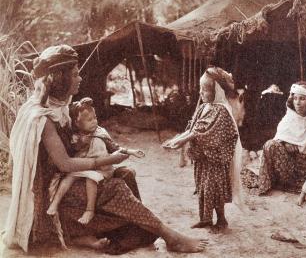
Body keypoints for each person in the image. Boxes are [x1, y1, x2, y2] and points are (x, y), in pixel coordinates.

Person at [2, 44, 207, 254]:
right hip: (53, 194)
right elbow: (64, 163)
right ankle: (169, 236)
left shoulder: (60, 108)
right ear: (60, 79)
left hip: (70, 177)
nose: (80, 79)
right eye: (74, 75)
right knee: (114, 187)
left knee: (125, 174)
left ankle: (139, 229)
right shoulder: (42, 117)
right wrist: (107, 160)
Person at [163, 66, 243, 232]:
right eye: (201, 89)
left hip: (215, 160)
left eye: (206, 89)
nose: (201, 93)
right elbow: (193, 127)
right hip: (203, 159)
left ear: (218, 91)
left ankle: (221, 220)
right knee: (203, 188)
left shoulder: (221, 110)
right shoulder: (204, 107)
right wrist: (176, 139)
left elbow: (203, 131)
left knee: (214, 189)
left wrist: (181, 141)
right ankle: (205, 219)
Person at [46, 97, 145, 225]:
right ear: (77, 123)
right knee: (69, 178)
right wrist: (81, 143)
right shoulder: (77, 137)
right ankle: (54, 203)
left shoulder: (101, 133)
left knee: (91, 179)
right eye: (89, 120)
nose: (94, 122)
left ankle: (89, 210)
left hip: (102, 168)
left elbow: (114, 147)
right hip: (85, 166)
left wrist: (131, 151)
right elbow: (71, 152)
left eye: (95, 118)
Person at [256, 81, 306, 194]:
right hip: (287, 168)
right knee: (270, 145)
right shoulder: (289, 118)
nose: (298, 103)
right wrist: (285, 143)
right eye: (295, 99)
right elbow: (279, 138)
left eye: (302, 99)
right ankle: (272, 183)